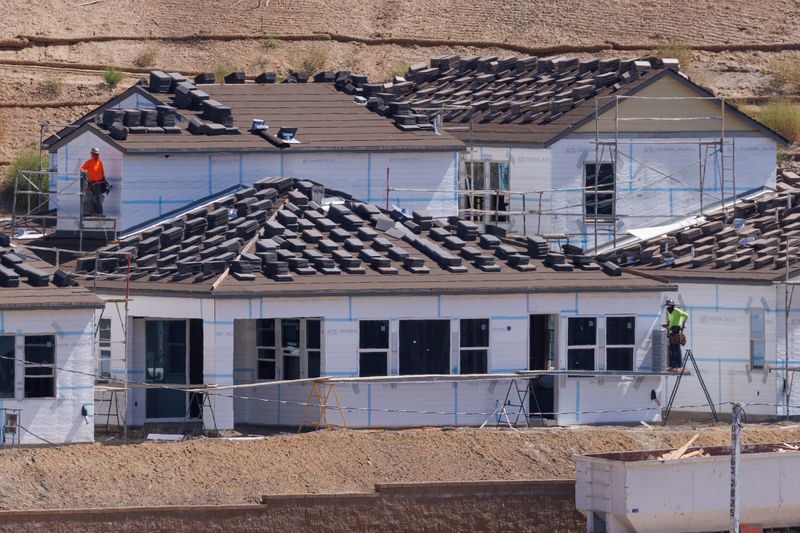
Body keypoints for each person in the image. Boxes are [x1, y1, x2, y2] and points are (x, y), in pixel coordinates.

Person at [79, 147, 108, 216]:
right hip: (91, 183)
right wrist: (83, 172)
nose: (95, 156)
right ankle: (90, 212)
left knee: (98, 198)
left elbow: (102, 172)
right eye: (94, 154)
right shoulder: (89, 162)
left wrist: (105, 180)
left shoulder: (100, 163)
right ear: (92, 154)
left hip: (99, 183)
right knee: (90, 197)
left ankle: (99, 213)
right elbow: (82, 168)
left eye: (96, 154)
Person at [663, 299, 689, 370]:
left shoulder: (677, 310)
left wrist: (683, 324)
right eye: (667, 305)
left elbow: (686, 315)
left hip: (676, 330)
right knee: (672, 349)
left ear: (672, 305)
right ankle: (674, 366)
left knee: (676, 349)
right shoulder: (669, 312)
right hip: (671, 331)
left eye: (669, 305)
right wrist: (668, 325)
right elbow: (671, 321)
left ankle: (679, 366)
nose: (668, 307)